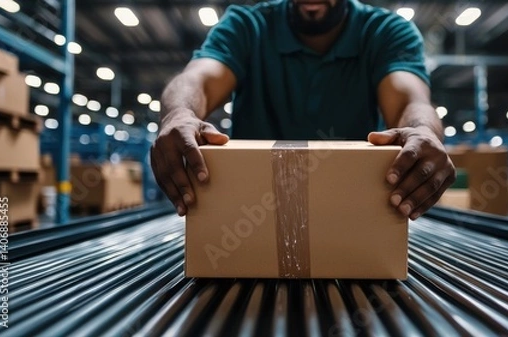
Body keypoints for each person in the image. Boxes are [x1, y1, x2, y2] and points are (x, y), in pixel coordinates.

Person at [151, 0, 456, 220]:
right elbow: (198, 79)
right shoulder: (247, 26)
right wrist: (179, 114)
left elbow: (409, 100)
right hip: (247, 218)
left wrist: (423, 131)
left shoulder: (385, 31)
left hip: (353, 214)